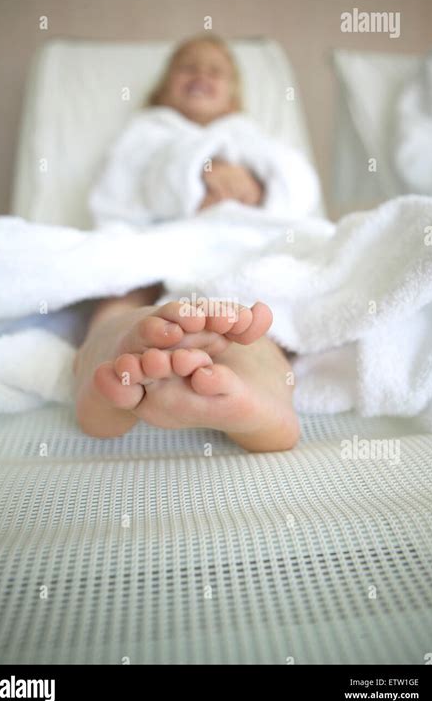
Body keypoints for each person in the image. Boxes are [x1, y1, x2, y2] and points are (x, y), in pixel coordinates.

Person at [74, 35, 320, 451]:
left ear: (233, 96)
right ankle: (112, 352)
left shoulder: (252, 136)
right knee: (122, 291)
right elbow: (121, 188)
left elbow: (300, 188)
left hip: (243, 245)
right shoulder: (147, 129)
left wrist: (259, 189)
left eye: (215, 70)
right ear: (163, 88)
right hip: (162, 241)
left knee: (264, 304)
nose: (201, 75)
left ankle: (259, 387)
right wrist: (196, 172)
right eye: (187, 67)